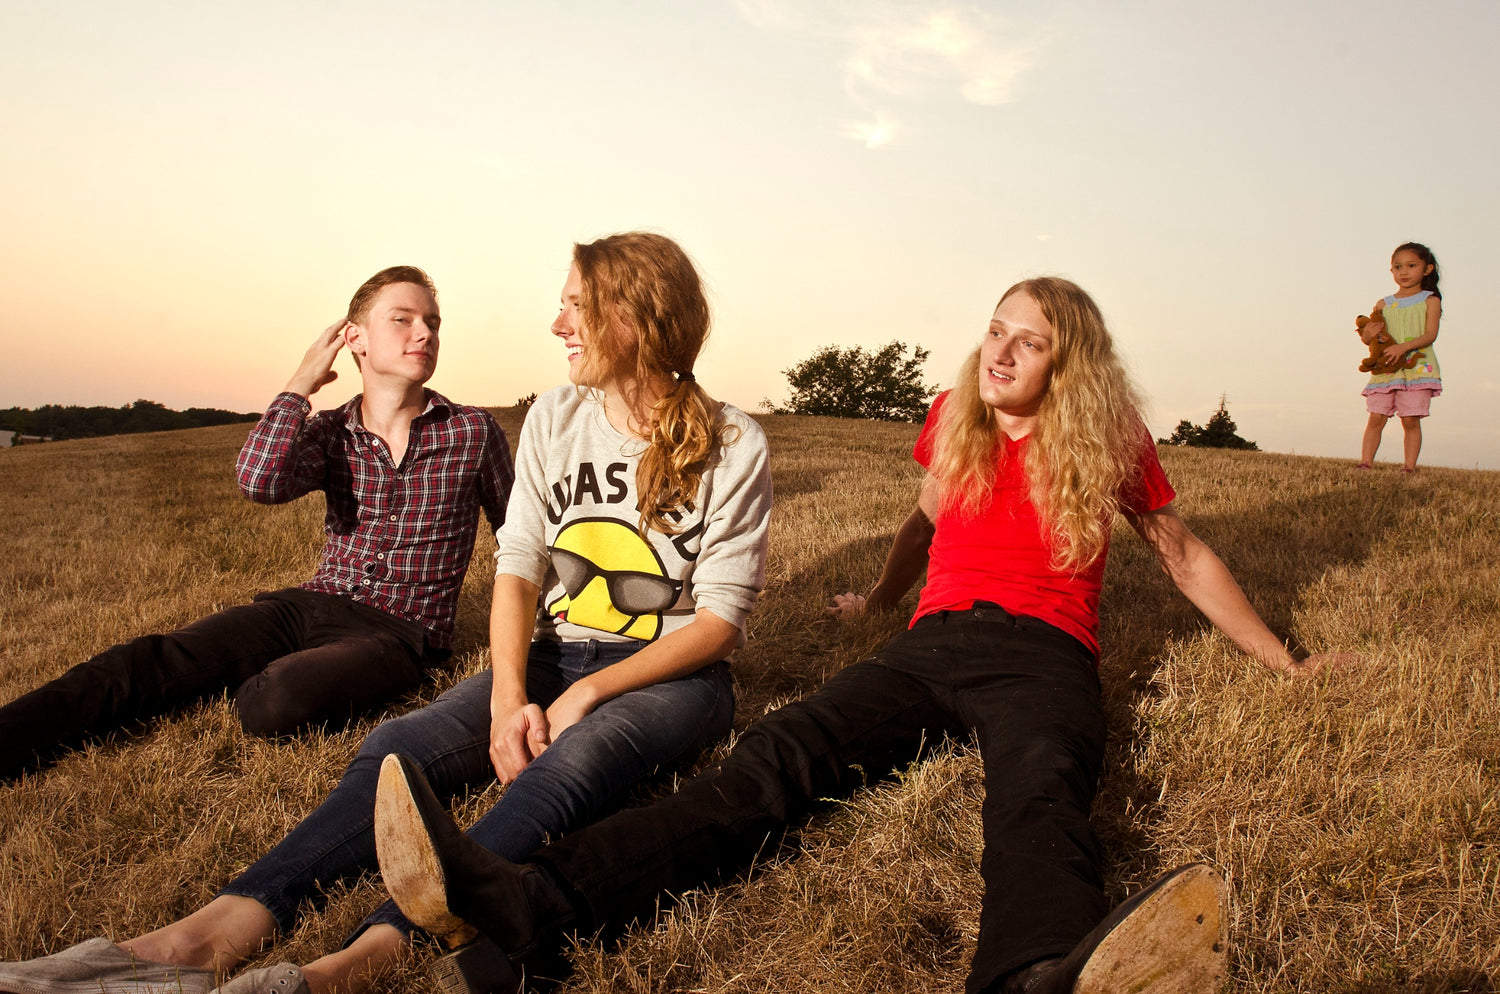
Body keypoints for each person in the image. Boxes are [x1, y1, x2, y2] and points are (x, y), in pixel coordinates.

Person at [372, 276, 1349, 994]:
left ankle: (1037, 971)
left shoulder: (1107, 441)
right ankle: (520, 902)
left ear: (1073, 366)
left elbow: (1184, 556)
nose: (1000, 352)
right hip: (927, 648)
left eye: (1030, 343)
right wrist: (882, 601)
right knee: (776, 758)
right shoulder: (953, 414)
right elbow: (924, 520)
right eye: (995, 330)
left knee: (1040, 791)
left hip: (1045, 657)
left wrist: (1286, 661)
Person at [0, 233, 771, 994]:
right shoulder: (553, 418)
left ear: (639, 315)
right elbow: (519, 566)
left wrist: (584, 695)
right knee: (400, 744)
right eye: (562, 306)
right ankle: (202, 936)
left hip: (673, 676)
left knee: (574, 764)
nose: (558, 324)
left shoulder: (734, 442)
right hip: (524, 647)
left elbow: (719, 622)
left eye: (576, 306)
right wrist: (510, 695)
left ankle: (353, 962)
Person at [0, 266, 514, 781]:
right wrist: (299, 386)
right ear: (353, 338)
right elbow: (259, 481)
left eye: (433, 322)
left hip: (399, 631)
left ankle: (257, 675)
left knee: (278, 700)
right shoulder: (331, 431)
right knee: (152, 658)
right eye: (402, 319)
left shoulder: (471, 430)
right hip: (305, 605)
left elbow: (516, 530)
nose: (424, 333)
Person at [1356, 241, 1443, 473]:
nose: (1403, 272)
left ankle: (1409, 467)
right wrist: (1367, 336)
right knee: (1376, 416)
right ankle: (1366, 463)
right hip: (1387, 370)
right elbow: (1371, 340)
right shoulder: (1384, 304)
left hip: (1417, 368)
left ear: (1427, 269)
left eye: (1411, 265)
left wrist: (1402, 348)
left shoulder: (1430, 300)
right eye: (1397, 267)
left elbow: (1430, 335)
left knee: (1410, 420)